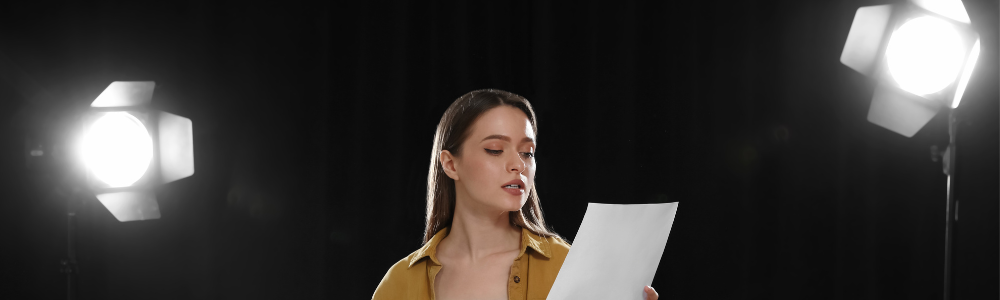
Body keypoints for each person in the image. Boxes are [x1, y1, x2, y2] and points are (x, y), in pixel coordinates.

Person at [372, 89, 659, 300]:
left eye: (527, 152)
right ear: (450, 164)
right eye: (495, 149)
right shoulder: (399, 284)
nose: (518, 165)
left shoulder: (567, 266)